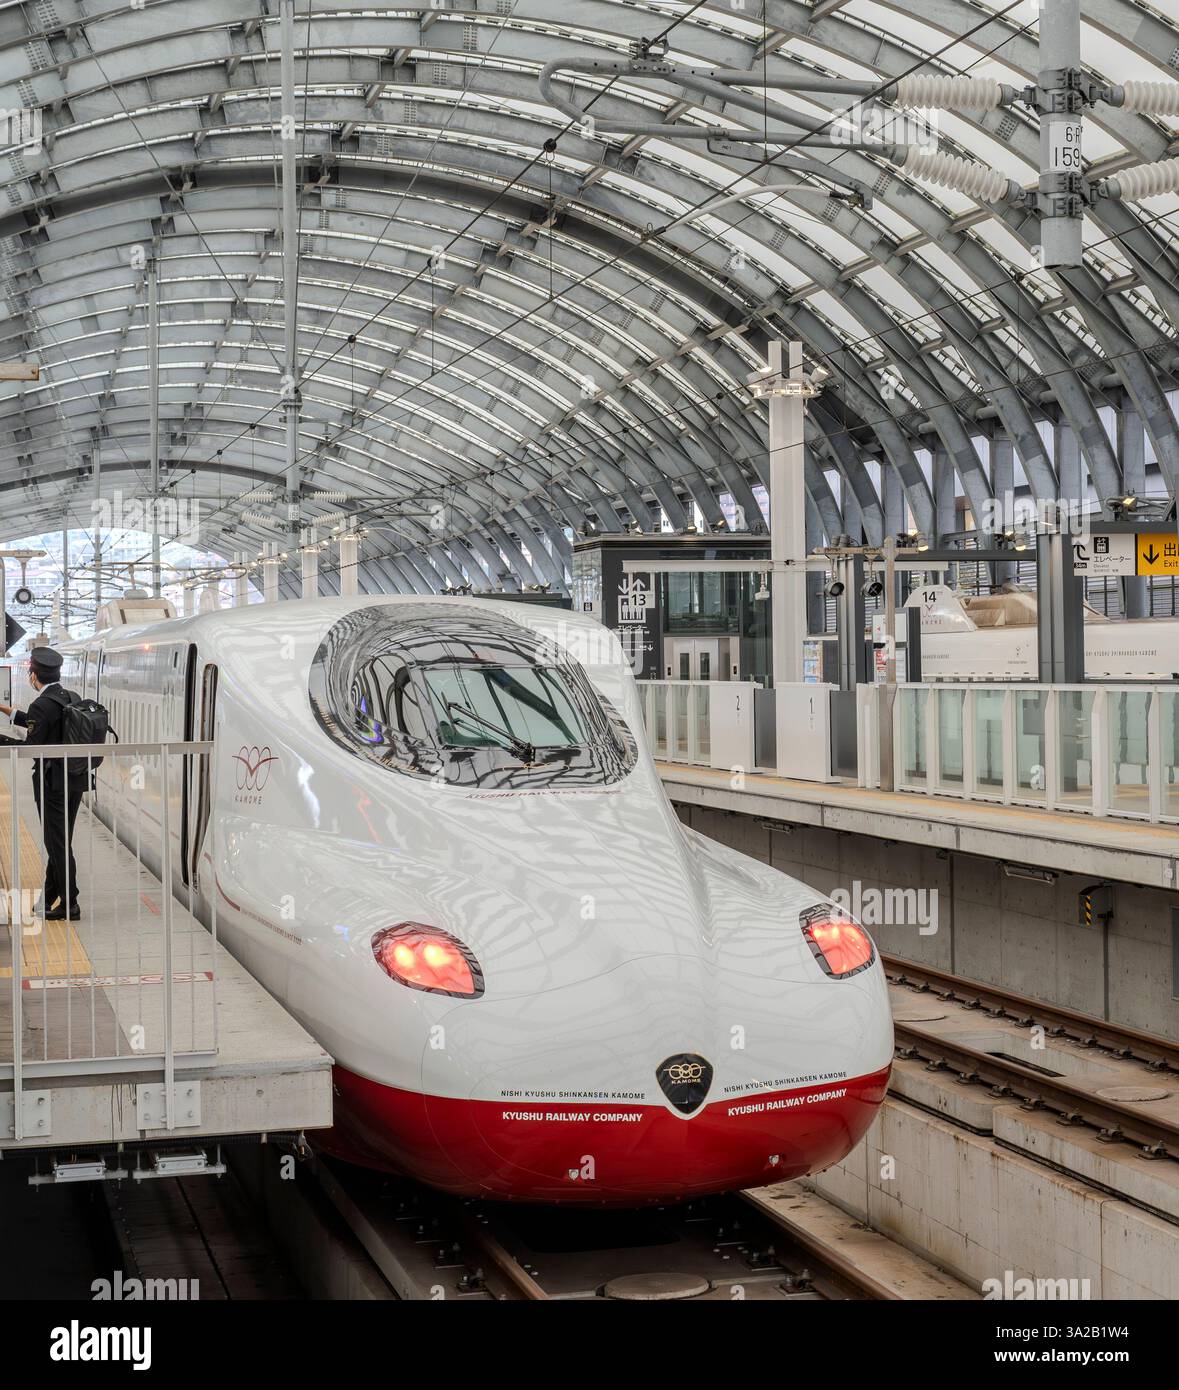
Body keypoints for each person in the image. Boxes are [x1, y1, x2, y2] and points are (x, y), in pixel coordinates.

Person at [0, 646, 86, 920]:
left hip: (51, 784)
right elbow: (44, 724)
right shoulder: (70, 697)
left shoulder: (42, 704)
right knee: (60, 839)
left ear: (33, 675)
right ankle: (50, 896)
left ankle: (70, 903)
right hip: (74, 780)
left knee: (56, 842)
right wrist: (8, 712)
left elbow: (32, 746)